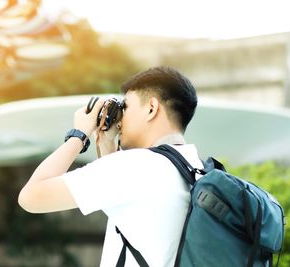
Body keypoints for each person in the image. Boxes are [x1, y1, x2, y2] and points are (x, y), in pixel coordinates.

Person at [18, 66, 203, 266]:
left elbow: (31, 197)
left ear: (151, 108)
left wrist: (79, 134)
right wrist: (107, 144)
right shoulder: (198, 170)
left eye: (126, 107)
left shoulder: (135, 167)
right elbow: (123, 205)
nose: (121, 118)